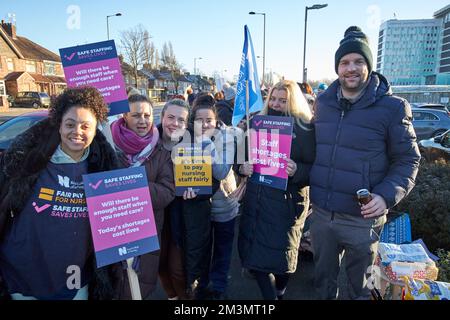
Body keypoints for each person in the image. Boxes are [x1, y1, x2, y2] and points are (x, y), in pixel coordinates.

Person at [309, 26, 421, 300]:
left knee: (360, 290)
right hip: (323, 216)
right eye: (345, 62)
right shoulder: (323, 103)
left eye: (359, 61)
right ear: (337, 67)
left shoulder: (392, 107)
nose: (351, 68)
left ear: (369, 66)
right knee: (322, 284)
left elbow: (408, 159)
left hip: (363, 221)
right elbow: (312, 152)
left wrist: (385, 196)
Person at [0, 87, 119, 300]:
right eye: (70, 124)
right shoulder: (27, 160)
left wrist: (127, 245)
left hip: (75, 277)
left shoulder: (104, 168)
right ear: (59, 125)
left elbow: (118, 220)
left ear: (95, 129)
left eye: (85, 126)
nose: (77, 131)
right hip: (23, 273)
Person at [237, 80, 316, 300]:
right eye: (273, 98)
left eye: (283, 100)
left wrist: (298, 170)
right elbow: (240, 155)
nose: (276, 104)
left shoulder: (306, 128)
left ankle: (280, 290)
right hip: (258, 200)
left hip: (286, 204)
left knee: (282, 261)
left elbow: (316, 168)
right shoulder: (256, 123)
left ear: (293, 101)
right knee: (257, 259)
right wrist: (242, 166)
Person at [110, 94, 175, 300]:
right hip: (113, 230)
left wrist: (131, 184)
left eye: (147, 115)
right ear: (124, 116)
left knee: (138, 289)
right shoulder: (108, 147)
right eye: (136, 115)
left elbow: (167, 192)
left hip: (146, 231)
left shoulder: (161, 152)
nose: (143, 120)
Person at [175, 99, 232, 299]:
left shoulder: (227, 138)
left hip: (224, 205)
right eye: (199, 120)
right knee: (200, 251)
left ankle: (219, 288)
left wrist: (208, 145)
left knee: (222, 250)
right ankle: (201, 285)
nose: (205, 124)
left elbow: (222, 172)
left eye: (209, 120)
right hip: (199, 209)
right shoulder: (185, 138)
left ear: (217, 121)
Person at [156, 98, 192, 300]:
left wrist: (197, 191)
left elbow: (208, 182)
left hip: (180, 215)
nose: (175, 123)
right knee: (159, 264)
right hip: (155, 214)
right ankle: (172, 297)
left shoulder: (193, 145)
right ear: (162, 117)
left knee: (178, 269)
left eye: (181, 119)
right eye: (170, 117)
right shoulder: (148, 142)